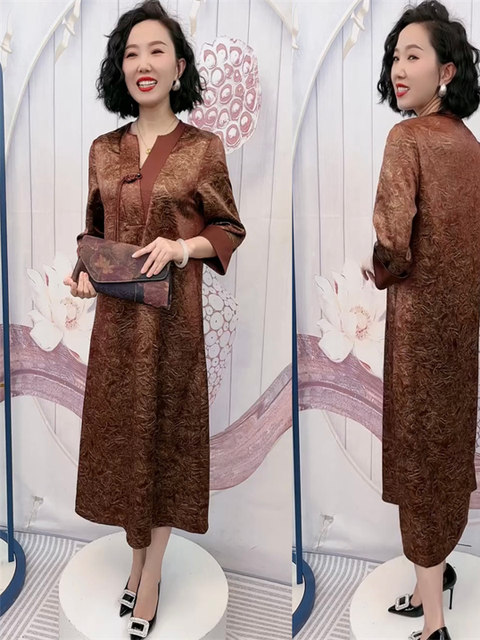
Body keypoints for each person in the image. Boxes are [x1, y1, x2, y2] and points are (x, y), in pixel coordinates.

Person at [63, 1, 246, 638]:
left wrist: (182, 246)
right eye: (131, 52)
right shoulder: (102, 150)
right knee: (124, 445)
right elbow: (92, 234)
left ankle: (151, 576)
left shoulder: (203, 149)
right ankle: (136, 560)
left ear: (179, 67)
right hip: (116, 330)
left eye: (157, 50)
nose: (143, 62)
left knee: (165, 446)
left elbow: (229, 228)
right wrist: (84, 275)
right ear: (122, 69)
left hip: (174, 330)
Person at [362, 2, 480, 639]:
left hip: (418, 336)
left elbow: (394, 243)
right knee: (447, 457)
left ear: (447, 70)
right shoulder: (471, 147)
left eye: (414, 56)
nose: (399, 69)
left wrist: (376, 265)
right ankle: (434, 579)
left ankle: (434, 624)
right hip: (461, 336)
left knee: (418, 463)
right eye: (395, 57)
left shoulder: (405, 139)